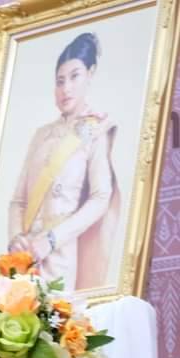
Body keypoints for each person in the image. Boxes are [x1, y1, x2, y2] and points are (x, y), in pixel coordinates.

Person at [8, 32, 121, 290]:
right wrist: (16, 237)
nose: (65, 88)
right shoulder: (41, 135)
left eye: (74, 76)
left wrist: (52, 239)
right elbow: (17, 201)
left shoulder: (96, 129)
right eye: (60, 81)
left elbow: (101, 198)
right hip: (23, 261)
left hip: (60, 260)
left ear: (90, 74)